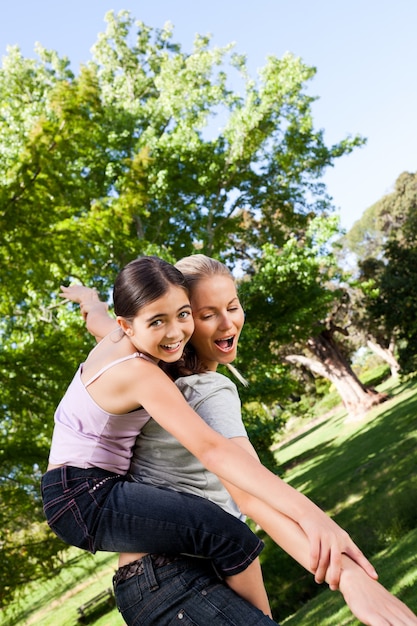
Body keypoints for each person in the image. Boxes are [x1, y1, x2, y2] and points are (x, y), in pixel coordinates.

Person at [64, 255, 417, 625]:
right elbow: (252, 496)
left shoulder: (143, 358)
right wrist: (348, 575)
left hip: (150, 586)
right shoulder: (207, 391)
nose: (228, 322)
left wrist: (90, 301)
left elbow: (103, 325)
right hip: (178, 584)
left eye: (233, 306)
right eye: (207, 314)